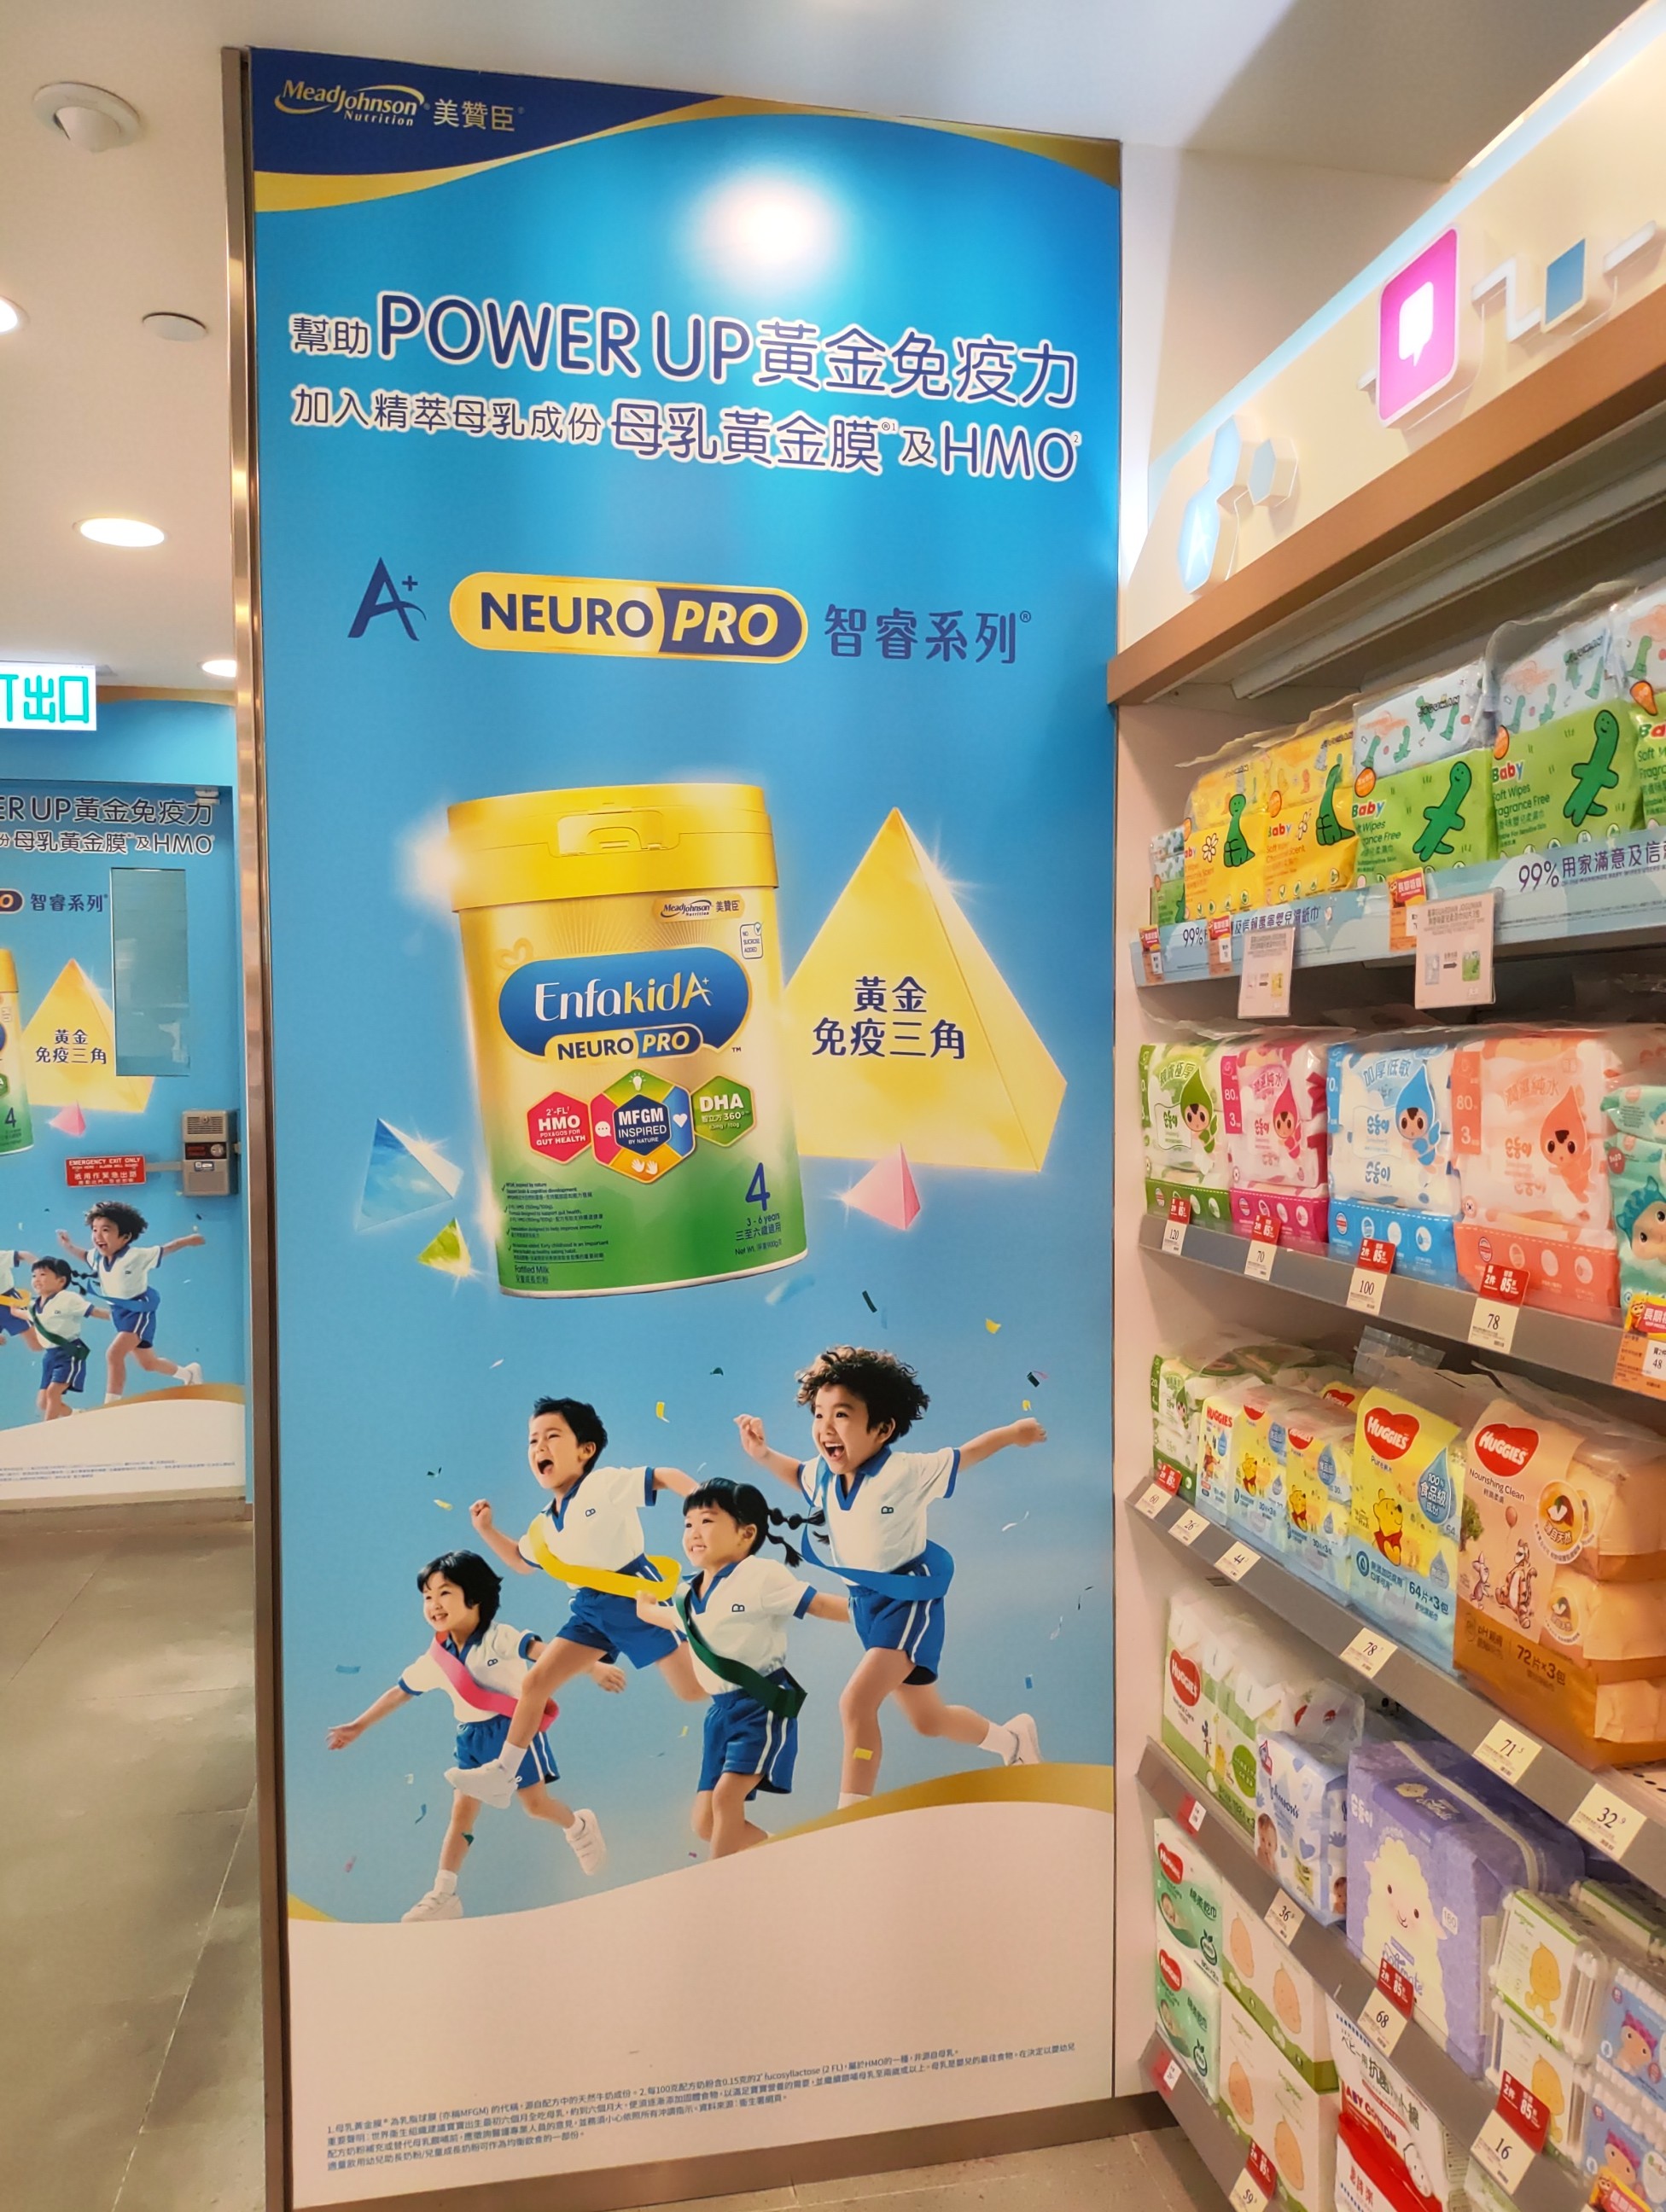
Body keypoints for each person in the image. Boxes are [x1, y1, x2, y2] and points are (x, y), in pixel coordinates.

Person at [737, 1343, 1046, 1807]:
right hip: (866, 1607)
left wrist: (1012, 1434)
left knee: (855, 1702)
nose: (825, 1428)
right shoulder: (822, 1476)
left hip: (908, 1600)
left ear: (882, 1428)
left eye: (842, 1415)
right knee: (928, 1720)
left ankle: (853, 1811)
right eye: (819, 1415)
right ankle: (1013, 1742)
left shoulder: (905, 1472)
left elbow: (965, 1455)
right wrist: (762, 1453)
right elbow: (796, 1473)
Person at [326, 1549, 614, 1921]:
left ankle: (579, 1826)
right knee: (461, 1816)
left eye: (444, 1592)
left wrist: (592, 1667)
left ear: (474, 1596)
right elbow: (400, 1692)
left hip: (515, 1732)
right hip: (470, 1739)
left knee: (535, 1806)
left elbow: (545, 1654)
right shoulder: (437, 1658)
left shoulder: (498, 1636)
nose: (434, 1604)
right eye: (427, 1596)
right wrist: (358, 1725)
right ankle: (444, 1893)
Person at [461, 1395, 703, 1810]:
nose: (539, 1446)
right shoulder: (542, 1527)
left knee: (692, 1689)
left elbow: (663, 1476)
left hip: (635, 1594)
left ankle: (744, 1670)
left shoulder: (602, 1485)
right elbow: (520, 1561)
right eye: (533, 1440)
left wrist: (707, 1501)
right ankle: (504, 1774)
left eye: (552, 1436)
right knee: (535, 1684)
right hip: (590, 1610)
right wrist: (486, 1530)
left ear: (585, 1449)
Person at [636, 1480, 848, 1858]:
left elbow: (816, 1604)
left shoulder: (760, 1576)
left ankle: (719, 1887)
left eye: (707, 1521)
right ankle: (789, 1858)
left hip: (760, 1706)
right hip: (719, 1715)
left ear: (746, 1534)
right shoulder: (686, 1594)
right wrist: (646, 1609)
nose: (694, 1532)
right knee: (705, 1823)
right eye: (688, 1524)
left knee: (726, 1798)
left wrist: (867, 1615)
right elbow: (675, 1620)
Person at [57, 1202, 203, 1403]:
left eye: (105, 1230)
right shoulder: (97, 1257)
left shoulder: (136, 1256)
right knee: (148, 1363)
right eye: (94, 1230)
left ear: (125, 1237)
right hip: (119, 1313)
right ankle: (189, 1374)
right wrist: (68, 1246)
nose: (98, 1236)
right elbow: (83, 1255)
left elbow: (166, 1249)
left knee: (114, 1354)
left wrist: (188, 1241)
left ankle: (112, 1403)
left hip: (138, 1310)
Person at [24, 1255, 104, 1420]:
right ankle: (78, 1415)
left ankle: (49, 1429)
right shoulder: (34, 1305)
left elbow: (94, 1311)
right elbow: (25, 1315)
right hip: (50, 1356)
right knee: (43, 1402)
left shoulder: (68, 1298)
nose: (37, 1279)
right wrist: (12, 1310)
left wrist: (116, 1317)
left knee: (53, 1392)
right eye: (34, 1275)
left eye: (43, 1275)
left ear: (61, 1281)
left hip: (69, 1353)